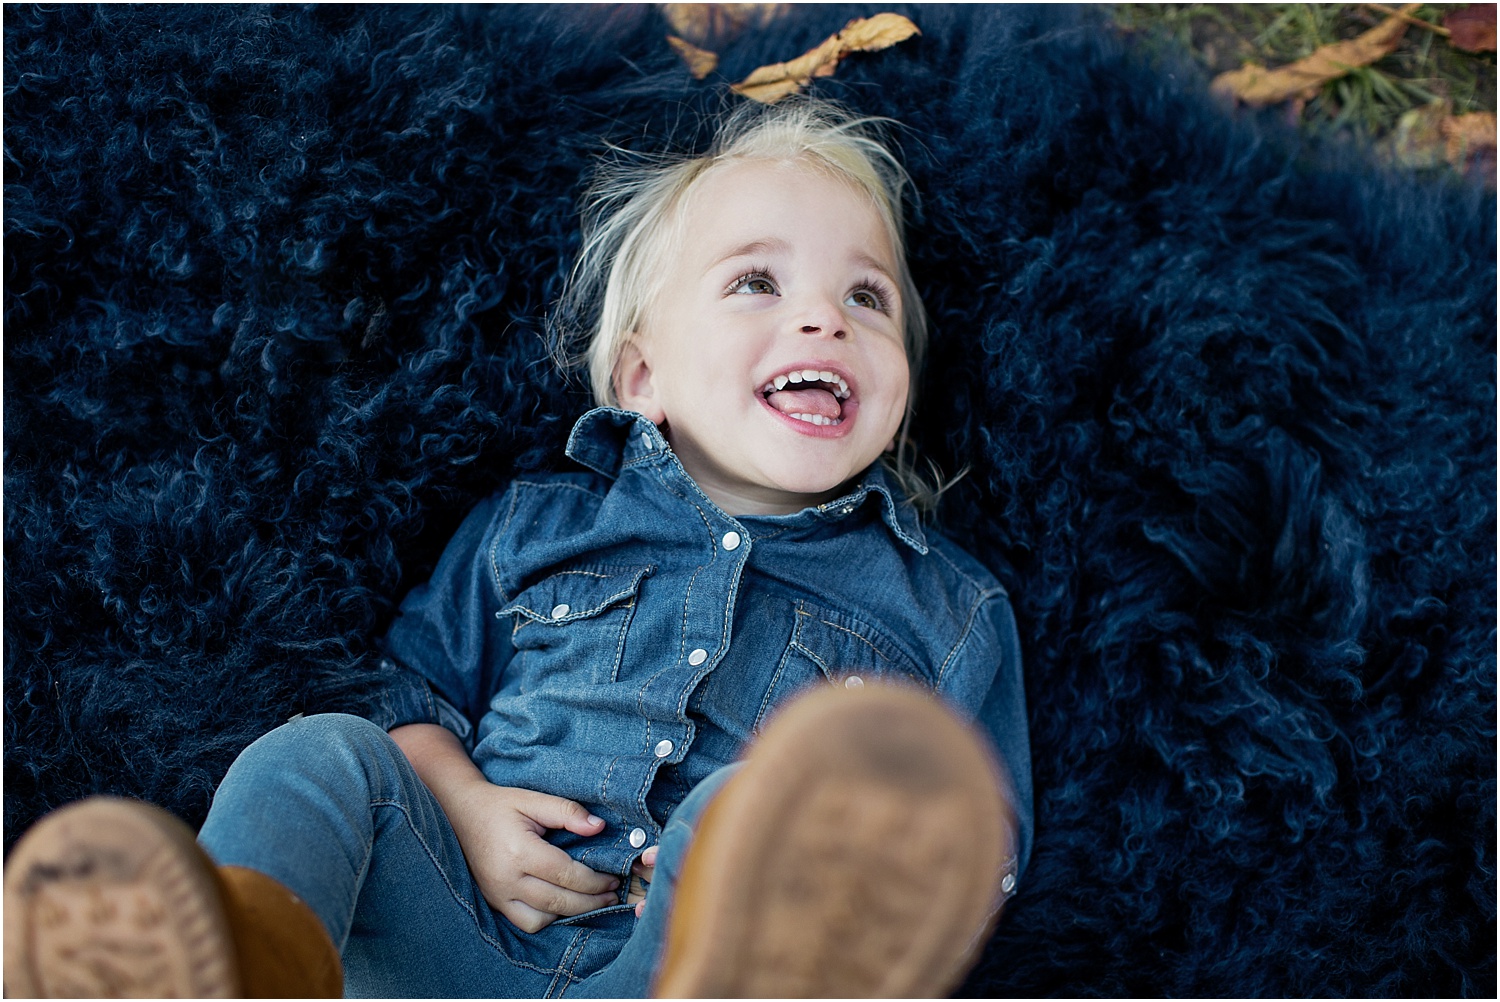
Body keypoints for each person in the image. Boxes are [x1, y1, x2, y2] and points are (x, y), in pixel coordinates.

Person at [4, 96, 1032, 998]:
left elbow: (978, 853)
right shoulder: (540, 522)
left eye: (869, 297)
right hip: (452, 936)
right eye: (756, 283)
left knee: (748, 815)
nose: (824, 318)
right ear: (642, 378)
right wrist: (464, 808)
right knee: (318, 756)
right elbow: (415, 699)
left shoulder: (946, 609)